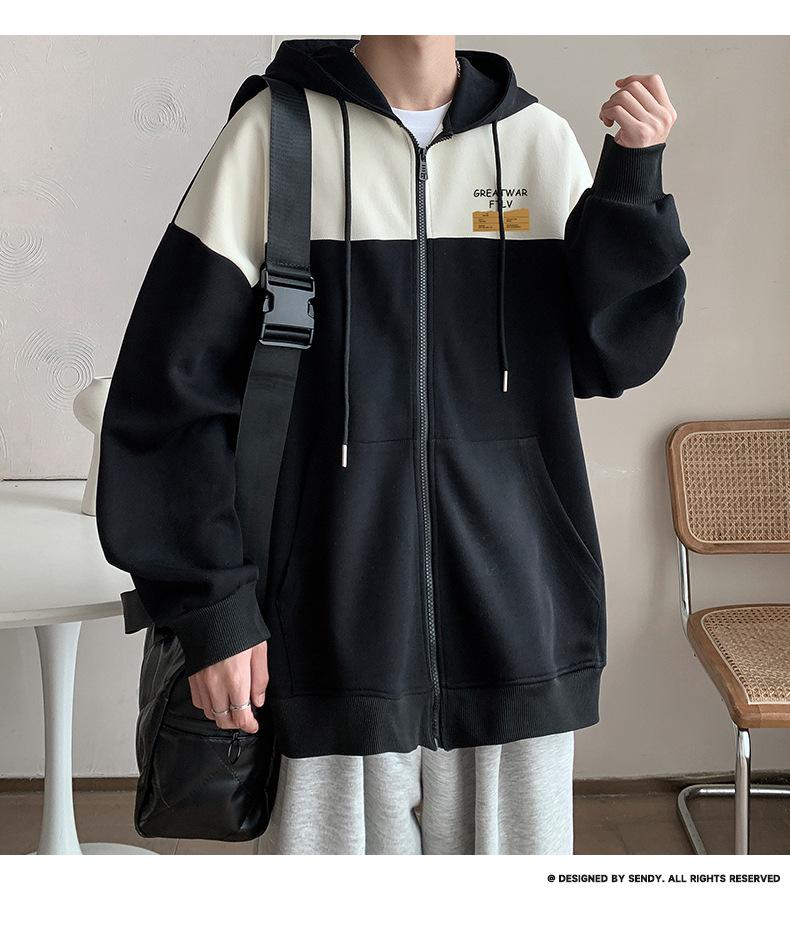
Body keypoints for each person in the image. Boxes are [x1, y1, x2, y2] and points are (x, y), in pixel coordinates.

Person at [96, 35, 689, 854]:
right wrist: (213, 612)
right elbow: (166, 398)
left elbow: (613, 357)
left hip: (518, 634)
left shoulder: (537, 142)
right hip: (325, 642)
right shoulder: (273, 137)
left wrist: (631, 184)